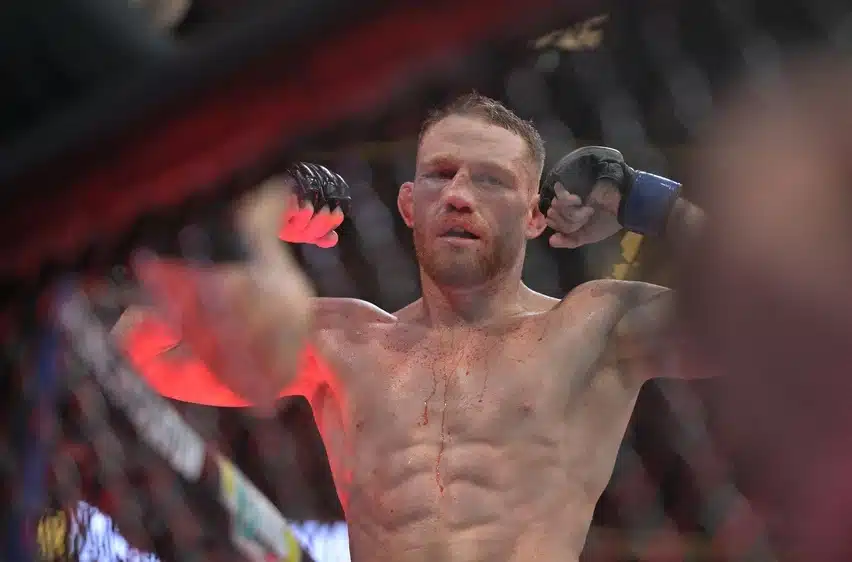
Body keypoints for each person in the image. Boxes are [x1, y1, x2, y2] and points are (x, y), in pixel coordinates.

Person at [118, 93, 706, 562]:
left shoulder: (592, 327)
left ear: (534, 215)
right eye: (440, 174)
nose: (458, 195)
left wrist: (643, 201)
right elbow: (135, 356)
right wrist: (243, 235)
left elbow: (761, 316)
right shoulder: (343, 340)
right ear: (407, 205)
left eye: (491, 180)